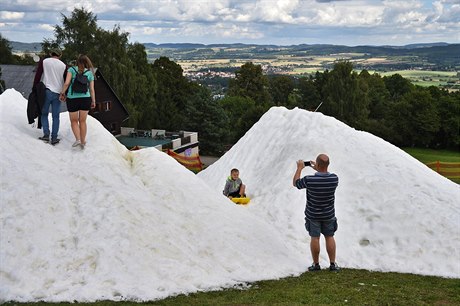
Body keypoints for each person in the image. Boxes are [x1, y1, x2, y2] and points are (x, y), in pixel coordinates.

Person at [293, 154, 340, 272]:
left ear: (317, 164)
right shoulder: (334, 178)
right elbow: (324, 175)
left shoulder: (309, 180)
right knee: (330, 237)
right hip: (328, 215)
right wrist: (319, 169)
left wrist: (299, 168)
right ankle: (333, 264)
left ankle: (316, 264)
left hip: (313, 215)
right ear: (328, 164)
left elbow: (296, 183)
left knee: (315, 238)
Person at [60, 54, 96, 149]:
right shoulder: (89, 73)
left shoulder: (71, 70)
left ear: (77, 61)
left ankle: (78, 139)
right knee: (83, 121)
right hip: (85, 99)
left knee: (74, 121)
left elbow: (67, 83)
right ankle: (83, 141)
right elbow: (92, 89)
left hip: (72, 99)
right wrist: (93, 101)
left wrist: (62, 93)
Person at [34, 48, 67, 145]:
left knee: (44, 114)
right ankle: (54, 138)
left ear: (50, 53)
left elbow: (38, 75)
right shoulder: (64, 65)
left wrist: (34, 88)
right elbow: (66, 80)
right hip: (58, 93)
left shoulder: (44, 62)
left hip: (46, 91)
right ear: (60, 55)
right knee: (56, 116)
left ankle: (46, 135)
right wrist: (65, 93)